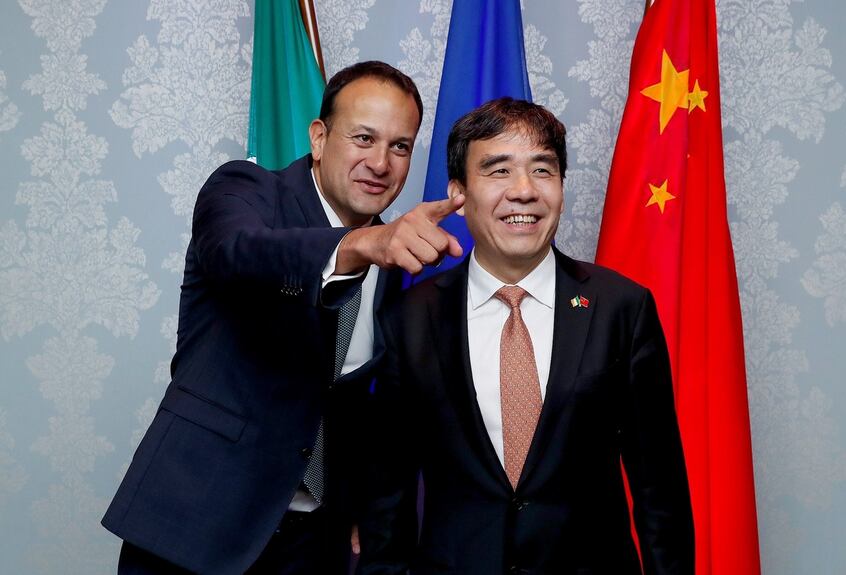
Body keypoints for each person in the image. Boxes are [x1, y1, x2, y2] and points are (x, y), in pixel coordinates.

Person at [102, 61, 464, 574]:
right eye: (363, 138)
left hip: (311, 544)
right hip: (193, 525)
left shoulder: (398, 252)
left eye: (399, 146)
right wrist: (358, 244)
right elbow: (237, 252)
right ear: (319, 138)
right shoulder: (245, 191)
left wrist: (360, 505)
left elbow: (356, 400)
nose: (381, 162)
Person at [358, 98, 695, 574]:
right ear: (459, 192)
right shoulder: (409, 318)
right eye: (498, 171)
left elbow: (659, 491)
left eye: (543, 170)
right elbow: (385, 503)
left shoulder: (622, 308)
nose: (524, 191)